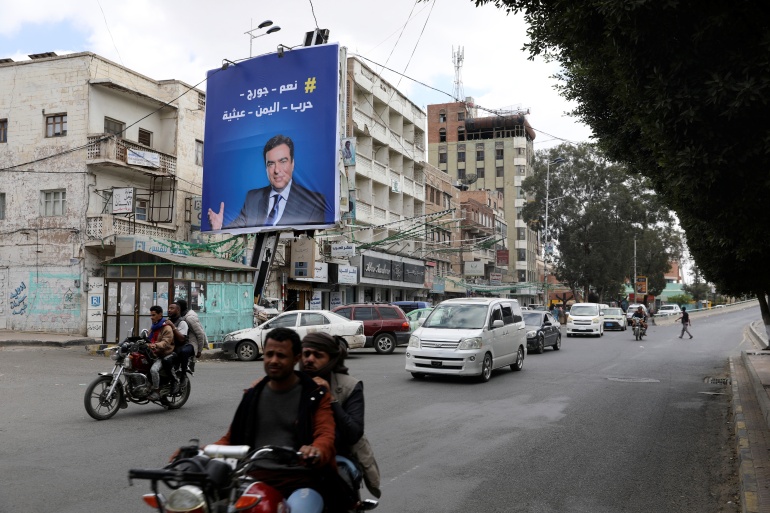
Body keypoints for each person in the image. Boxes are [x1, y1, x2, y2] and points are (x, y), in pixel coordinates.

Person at [212, 328, 348, 512]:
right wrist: (199, 452)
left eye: (281, 355)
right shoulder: (252, 395)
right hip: (254, 479)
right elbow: (231, 438)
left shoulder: (315, 394)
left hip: (301, 480)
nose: (274, 360)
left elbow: (325, 434)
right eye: (269, 354)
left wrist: (315, 449)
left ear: (296, 358)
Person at [300, 332, 382, 499]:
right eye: (306, 354)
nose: (310, 359)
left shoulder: (349, 386)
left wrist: (331, 399)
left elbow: (354, 433)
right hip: (300, 457)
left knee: (341, 487)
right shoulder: (291, 384)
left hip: (340, 457)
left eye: (317, 355)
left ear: (331, 359)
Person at [207, 134, 327, 230]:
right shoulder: (252, 198)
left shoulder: (314, 203)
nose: (277, 170)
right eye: (271, 164)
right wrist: (218, 228)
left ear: (292, 164)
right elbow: (236, 228)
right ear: (266, 168)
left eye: (283, 161)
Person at [147, 305, 175, 400]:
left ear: (160, 315)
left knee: (154, 370)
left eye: (154, 315)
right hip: (153, 353)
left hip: (163, 354)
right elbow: (147, 339)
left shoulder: (167, 328)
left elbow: (166, 342)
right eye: (151, 315)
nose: (151, 317)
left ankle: (157, 391)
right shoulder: (153, 327)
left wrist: (155, 345)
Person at [165, 302, 194, 392]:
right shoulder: (167, 321)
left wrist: (172, 326)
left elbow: (181, 339)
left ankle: (178, 378)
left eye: (172, 308)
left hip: (179, 348)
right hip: (167, 347)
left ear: (178, 310)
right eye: (169, 308)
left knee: (167, 360)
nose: (169, 310)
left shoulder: (182, 322)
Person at [177, 299, 207, 364]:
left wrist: (199, 350)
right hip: (183, 342)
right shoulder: (181, 316)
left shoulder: (190, 318)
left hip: (191, 343)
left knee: (184, 352)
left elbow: (200, 334)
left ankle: (184, 369)